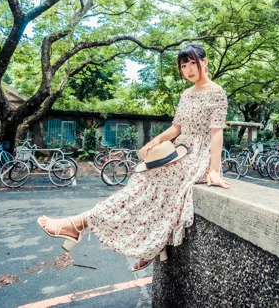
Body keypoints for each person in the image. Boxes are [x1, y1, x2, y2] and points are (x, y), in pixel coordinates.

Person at [37, 43, 231, 272]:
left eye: (192, 63)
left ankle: (78, 224)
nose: (188, 69)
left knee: (152, 185)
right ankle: (149, 244)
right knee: (142, 180)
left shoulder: (217, 92)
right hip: (180, 149)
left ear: (205, 62)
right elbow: (177, 128)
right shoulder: (185, 94)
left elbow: (216, 132)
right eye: (183, 65)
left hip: (199, 154)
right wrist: (154, 141)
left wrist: (214, 170)